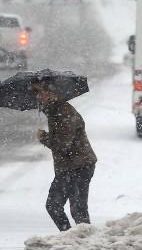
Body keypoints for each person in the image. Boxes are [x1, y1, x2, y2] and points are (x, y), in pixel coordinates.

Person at [32, 80, 97, 232]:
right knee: (72, 209)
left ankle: (76, 242)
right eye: (36, 93)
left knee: (65, 207)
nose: (38, 96)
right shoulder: (54, 111)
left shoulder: (64, 112)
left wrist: (43, 137)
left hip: (78, 166)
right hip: (71, 166)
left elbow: (63, 144)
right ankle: (76, 241)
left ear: (53, 92)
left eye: (41, 92)